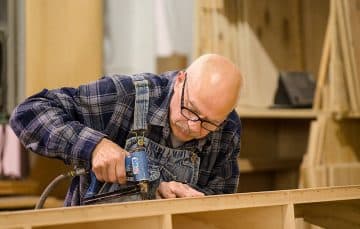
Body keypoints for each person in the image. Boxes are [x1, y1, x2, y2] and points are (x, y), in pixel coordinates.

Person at [10, 53, 243, 206]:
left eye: (208, 123)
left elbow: (220, 204)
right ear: (180, 80)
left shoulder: (227, 127)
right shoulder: (126, 96)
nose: (193, 126)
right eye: (189, 109)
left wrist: (189, 200)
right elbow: (28, 112)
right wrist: (94, 146)